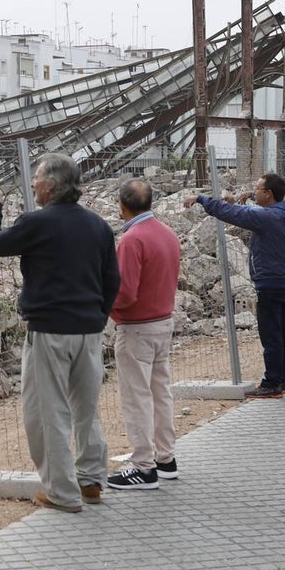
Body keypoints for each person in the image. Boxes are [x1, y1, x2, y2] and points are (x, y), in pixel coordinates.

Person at [0, 153, 120, 512]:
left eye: (37, 178)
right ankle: (90, 481)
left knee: (48, 412)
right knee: (86, 408)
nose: (33, 184)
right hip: (89, 331)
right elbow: (112, 281)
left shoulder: (37, 223)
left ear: (53, 185)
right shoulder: (98, 226)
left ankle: (62, 492)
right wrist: (98, 316)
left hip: (49, 331)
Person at [184, 173, 285, 399]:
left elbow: (231, 213)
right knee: (284, 331)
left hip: (270, 282)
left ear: (268, 194)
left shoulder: (266, 218)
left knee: (271, 333)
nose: (254, 192)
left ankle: (272, 382)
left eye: (257, 188)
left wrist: (201, 199)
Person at [106, 179, 182, 490]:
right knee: (160, 391)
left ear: (121, 206)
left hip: (136, 327)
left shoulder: (131, 240)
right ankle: (166, 458)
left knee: (136, 397)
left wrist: (104, 307)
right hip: (163, 321)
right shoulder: (167, 234)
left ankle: (143, 466)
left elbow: (125, 293)